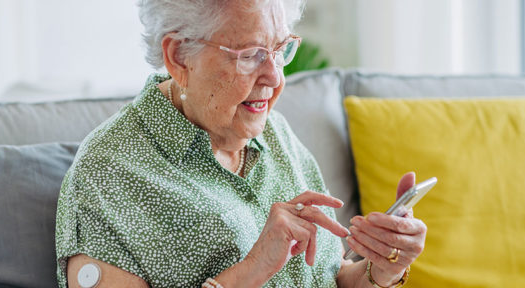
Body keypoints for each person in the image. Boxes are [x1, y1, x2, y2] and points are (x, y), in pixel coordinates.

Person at [55, 0, 427, 287]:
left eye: (280, 50)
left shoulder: (274, 132)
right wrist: (251, 271)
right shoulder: (107, 174)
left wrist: (382, 268)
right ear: (178, 57)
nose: (275, 76)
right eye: (250, 56)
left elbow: (331, 276)